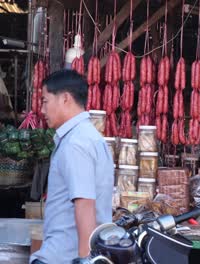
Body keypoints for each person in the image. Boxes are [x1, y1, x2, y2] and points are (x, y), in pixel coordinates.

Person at [30, 70, 114, 264]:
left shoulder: (76, 143)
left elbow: (85, 205)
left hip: (64, 258)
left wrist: (85, 260)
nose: (42, 110)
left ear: (65, 98)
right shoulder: (89, 137)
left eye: (45, 101)